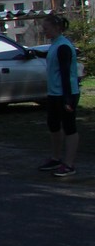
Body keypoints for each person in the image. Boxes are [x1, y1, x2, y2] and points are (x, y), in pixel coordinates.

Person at [38, 12, 80, 178]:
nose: (44, 31)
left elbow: (65, 73)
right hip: (54, 93)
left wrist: (68, 99)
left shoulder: (64, 46)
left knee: (69, 127)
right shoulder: (55, 44)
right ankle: (56, 158)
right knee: (53, 125)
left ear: (57, 28)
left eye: (46, 28)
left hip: (66, 93)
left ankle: (69, 164)